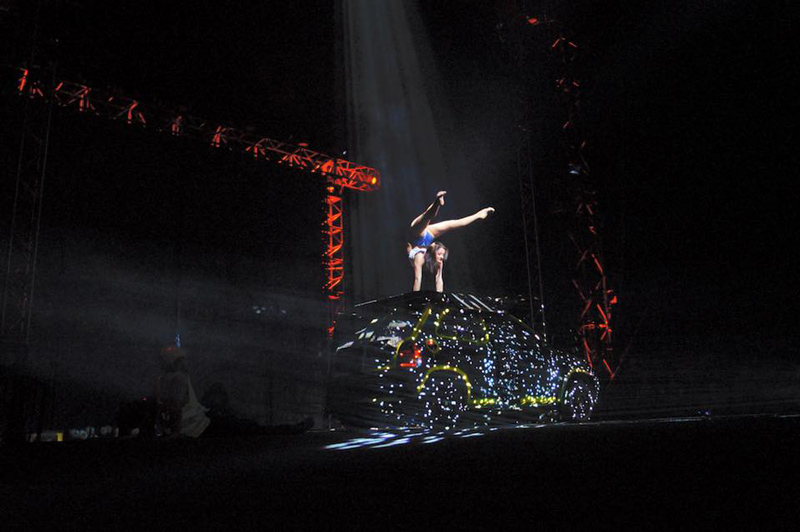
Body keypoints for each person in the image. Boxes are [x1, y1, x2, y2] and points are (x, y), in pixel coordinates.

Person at [407, 191, 494, 292]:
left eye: (441, 255)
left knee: (451, 223)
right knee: (428, 217)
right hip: (421, 237)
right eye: (441, 255)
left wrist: (440, 297)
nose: (441, 257)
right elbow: (419, 279)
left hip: (415, 237)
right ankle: (437, 202)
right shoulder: (422, 258)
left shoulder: (423, 258)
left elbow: (437, 280)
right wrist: (415, 297)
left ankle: (479, 214)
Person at [156, 346, 210, 439]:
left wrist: (175, 431)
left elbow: (175, 405)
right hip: (185, 426)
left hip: (190, 426)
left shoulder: (177, 378)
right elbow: (172, 405)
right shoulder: (167, 378)